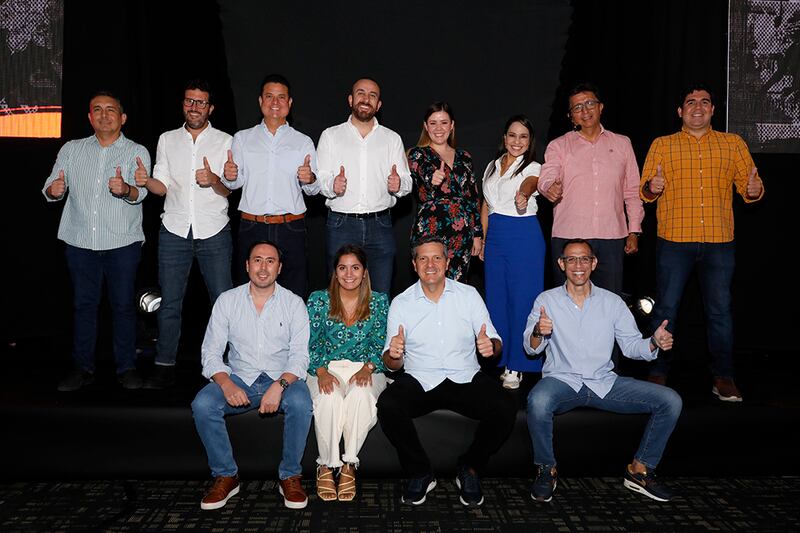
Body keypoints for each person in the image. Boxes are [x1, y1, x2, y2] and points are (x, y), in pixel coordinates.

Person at [524, 239, 682, 503]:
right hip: (562, 381)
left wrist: (653, 342)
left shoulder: (612, 302)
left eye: (584, 259)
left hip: (604, 383)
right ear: (561, 264)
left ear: (594, 263)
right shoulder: (546, 300)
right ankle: (546, 469)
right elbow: (530, 349)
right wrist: (539, 332)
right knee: (538, 400)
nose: (578, 265)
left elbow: (632, 347)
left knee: (670, 400)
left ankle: (640, 470)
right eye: (571, 259)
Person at [640, 84, 765, 402]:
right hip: (674, 242)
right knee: (666, 309)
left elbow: (750, 188)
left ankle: (723, 377)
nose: (698, 107)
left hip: (719, 243)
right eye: (690, 102)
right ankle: (658, 371)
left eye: (705, 102)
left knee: (720, 312)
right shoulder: (662, 145)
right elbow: (645, 192)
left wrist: (753, 189)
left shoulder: (732, 144)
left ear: (712, 110)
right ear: (680, 111)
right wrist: (652, 187)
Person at [377, 236, 516, 508]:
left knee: (505, 405)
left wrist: (491, 347)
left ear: (448, 262)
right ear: (414, 264)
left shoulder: (468, 295)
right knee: (388, 403)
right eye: (423, 258)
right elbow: (391, 362)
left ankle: (470, 468)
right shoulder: (402, 303)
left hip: (465, 375)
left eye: (437, 258)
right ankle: (420, 471)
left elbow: (495, 341)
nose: (431, 264)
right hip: (420, 377)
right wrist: (394, 355)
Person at [191, 241, 313, 510]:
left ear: (279, 268)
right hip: (238, 377)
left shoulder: (293, 303)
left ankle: (290, 476)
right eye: (257, 260)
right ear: (247, 266)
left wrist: (279, 385)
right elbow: (210, 352)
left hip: (281, 378)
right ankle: (226, 475)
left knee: (302, 403)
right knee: (202, 404)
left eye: (270, 261)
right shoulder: (227, 301)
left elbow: (300, 356)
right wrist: (224, 383)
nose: (263, 267)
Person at [43, 91, 150, 391]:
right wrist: (54, 190)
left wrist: (125, 188)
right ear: (89, 117)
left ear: (123, 117)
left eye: (111, 110)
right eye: (97, 110)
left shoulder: (136, 151)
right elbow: (51, 188)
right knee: (83, 306)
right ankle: (82, 368)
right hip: (79, 243)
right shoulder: (71, 150)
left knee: (123, 307)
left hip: (122, 244)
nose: (104, 115)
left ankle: (127, 367)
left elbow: (140, 193)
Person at [135, 79, 233, 389]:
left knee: (222, 302)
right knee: (170, 302)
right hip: (175, 229)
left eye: (200, 102)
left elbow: (229, 190)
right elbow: (162, 186)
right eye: (189, 101)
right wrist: (145, 181)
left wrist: (214, 178)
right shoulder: (167, 139)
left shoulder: (226, 141)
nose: (194, 107)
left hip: (214, 229)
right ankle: (164, 364)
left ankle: (225, 367)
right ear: (183, 104)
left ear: (210, 108)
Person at [538, 83, 644, 295]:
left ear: (601, 107)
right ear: (571, 116)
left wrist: (634, 231)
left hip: (611, 236)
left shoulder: (622, 144)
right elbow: (547, 176)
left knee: (610, 301)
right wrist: (549, 187)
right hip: (569, 236)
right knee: (565, 301)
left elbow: (632, 191)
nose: (585, 111)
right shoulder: (559, 145)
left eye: (589, 104)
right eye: (577, 108)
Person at [223, 74, 319, 298]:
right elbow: (235, 183)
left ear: (290, 103)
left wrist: (310, 179)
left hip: (290, 227)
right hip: (251, 225)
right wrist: (229, 176)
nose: (275, 103)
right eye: (269, 97)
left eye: (281, 97)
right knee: (246, 292)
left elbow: (313, 190)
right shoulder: (242, 138)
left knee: (294, 293)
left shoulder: (303, 141)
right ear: (260, 101)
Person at [307, 244, 389, 502]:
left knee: (361, 395)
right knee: (329, 396)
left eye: (355, 267)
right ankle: (325, 464)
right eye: (342, 268)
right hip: (325, 367)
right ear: (335, 272)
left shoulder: (379, 301)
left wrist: (369, 367)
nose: (349, 274)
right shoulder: (318, 299)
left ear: (364, 272)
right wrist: (320, 371)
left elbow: (381, 341)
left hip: (367, 366)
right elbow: (309, 342)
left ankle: (349, 465)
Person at [316, 77, 412, 294]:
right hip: (341, 224)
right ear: (351, 99)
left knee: (379, 294)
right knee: (339, 294)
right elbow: (319, 179)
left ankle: (378, 330)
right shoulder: (330, 136)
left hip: (381, 224)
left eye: (372, 95)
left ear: (378, 105)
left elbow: (407, 181)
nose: (366, 99)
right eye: (361, 93)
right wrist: (332, 185)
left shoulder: (392, 139)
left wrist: (398, 185)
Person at [480, 115, 546, 389]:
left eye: (523, 137)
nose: (517, 141)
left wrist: (523, 194)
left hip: (523, 235)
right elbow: (486, 205)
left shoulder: (535, 167)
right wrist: (484, 240)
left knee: (522, 300)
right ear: (504, 137)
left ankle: (518, 365)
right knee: (496, 300)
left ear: (530, 142)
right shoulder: (491, 166)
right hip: (495, 235)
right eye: (512, 135)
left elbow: (530, 184)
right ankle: (499, 357)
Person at [407, 102, 481, 281]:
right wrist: (432, 177)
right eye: (433, 123)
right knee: (430, 284)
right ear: (425, 126)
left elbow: (473, 198)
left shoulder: (465, 157)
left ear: (452, 125)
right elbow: (423, 171)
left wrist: (477, 234)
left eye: (444, 122)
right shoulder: (417, 154)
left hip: (462, 234)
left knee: (458, 287)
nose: (438, 128)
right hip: (430, 231)